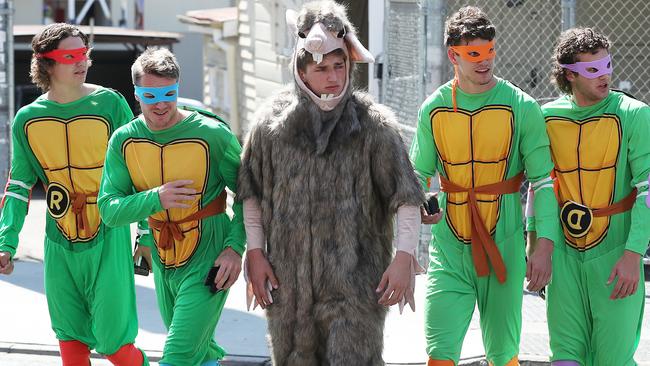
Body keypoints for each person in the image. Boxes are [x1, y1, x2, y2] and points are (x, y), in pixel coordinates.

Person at [237, 1, 425, 364]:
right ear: (301, 70)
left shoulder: (375, 127)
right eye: (322, 68)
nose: (333, 76)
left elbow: (406, 198)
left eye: (340, 66)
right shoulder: (270, 126)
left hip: (355, 287)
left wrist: (404, 256)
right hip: (288, 288)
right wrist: (255, 252)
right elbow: (252, 195)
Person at [409, 6, 560, 366]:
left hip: (504, 245)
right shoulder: (434, 108)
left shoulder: (522, 106)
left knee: (504, 354)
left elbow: (544, 184)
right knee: (439, 352)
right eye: (474, 54)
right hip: (448, 249)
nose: (485, 61)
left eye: (490, 51)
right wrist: (419, 206)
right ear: (453, 56)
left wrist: (544, 248)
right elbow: (415, 177)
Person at [0, 23, 149, 365]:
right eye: (70, 56)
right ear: (47, 64)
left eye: (84, 54)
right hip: (58, 237)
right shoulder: (28, 118)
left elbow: (138, 173)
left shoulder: (110, 103)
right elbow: (19, 184)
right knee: (69, 337)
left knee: (115, 344)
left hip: (108, 235)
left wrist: (146, 234)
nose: (81, 62)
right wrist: (5, 242)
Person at [98, 47, 245, 366]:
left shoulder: (213, 135)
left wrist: (235, 249)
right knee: (198, 351)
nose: (161, 104)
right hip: (164, 258)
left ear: (178, 88)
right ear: (136, 94)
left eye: (169, 93)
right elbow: (109, 210)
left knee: (176, 356)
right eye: (150, 95)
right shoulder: (124, 141)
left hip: (210, 257)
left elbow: (251, 195)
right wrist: (155, 199)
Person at [526, 27, 650, 366]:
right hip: (563, 254)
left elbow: (648, 191)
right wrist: (535, 241)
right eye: (592, 70)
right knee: (564, 356)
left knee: (612, 360)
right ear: (570, 74)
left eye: (607, 65)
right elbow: (541, 184)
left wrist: (632, 254)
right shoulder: (548, 117)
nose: (605, 75)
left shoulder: (634, 114)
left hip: (615, 254)